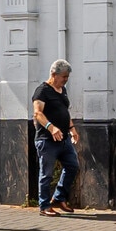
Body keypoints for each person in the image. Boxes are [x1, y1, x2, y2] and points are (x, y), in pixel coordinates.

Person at [32, 58, 78, 217]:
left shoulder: (62, 90)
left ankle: (58, 198)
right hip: (47, 140)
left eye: (67, 77)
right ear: (54, 74)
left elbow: (64, 112)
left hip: (64, 139)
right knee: (47, 173)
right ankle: (44, 206)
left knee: (72, 165)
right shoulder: (42, 91)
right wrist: (51, 128)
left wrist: (72, 129)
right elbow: (38, 113)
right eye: (64, 77)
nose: (66, 80)